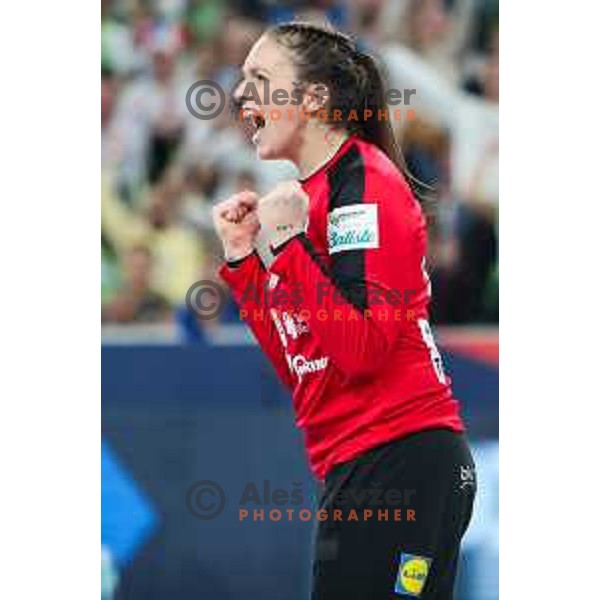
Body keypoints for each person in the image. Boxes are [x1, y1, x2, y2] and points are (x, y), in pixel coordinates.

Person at [212, 22, 475, 599]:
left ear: (312, 99)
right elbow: (305, 370)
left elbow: (361, 351)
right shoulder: (312, 202)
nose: (238, 95)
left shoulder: (364, 185)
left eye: (259, 79)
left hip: (404, 460)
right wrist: (246, 266)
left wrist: (286, 247)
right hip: (358, 466)